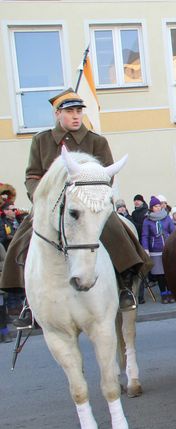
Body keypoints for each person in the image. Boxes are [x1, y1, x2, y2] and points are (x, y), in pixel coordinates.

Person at [2, 89, 151, 329]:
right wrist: (41, 197)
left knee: (116, 229)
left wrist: (92, 195)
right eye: (70, 111)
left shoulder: (96, 141)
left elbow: (106, 175)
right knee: (21, 241)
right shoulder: (41, 140)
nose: (75, 116)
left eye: (79, 111)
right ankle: (25, 300)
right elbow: (32, 175)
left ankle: (125, 285)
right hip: (50, 206)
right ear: (58, 113)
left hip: (88, 204)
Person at [141, 196, 176, 304]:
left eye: (159, 205)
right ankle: (163, 294)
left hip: (168, 249)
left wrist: (174, 244)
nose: (158, 207)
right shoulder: (147, 220)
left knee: (168, 272)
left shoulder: (166, 217)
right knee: (160, 274)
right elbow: (145, 235)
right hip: (155, 250)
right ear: (151, 208)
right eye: (156, 206)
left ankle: (170, 292)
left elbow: (173, 232)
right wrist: (146, 248)